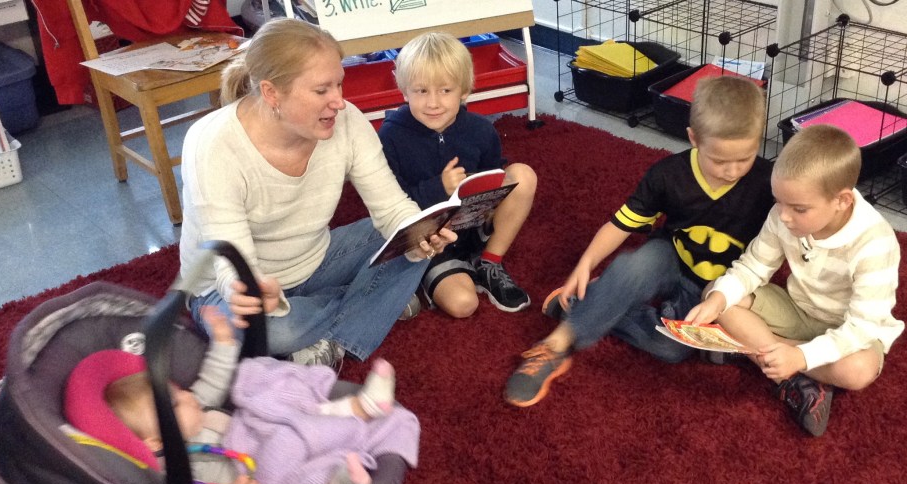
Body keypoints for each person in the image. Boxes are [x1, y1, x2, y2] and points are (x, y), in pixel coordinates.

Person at [178, 18, 455, 371]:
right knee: (271, 332)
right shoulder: (212, 144)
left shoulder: (348, 121)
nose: (339, 102)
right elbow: (231, 261)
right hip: (228, 287)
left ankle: (329, 333)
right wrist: (248, 288)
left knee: (413, 232)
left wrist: (420, 234)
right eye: (322, 90)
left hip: (315, 258)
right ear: (271, 93)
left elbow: (391, 208)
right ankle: (364, 308)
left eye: (340, 84)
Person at [504, 75, 774, 407]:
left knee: (672, 349)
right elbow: (620, 224)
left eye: (744, 159)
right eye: (719, 161)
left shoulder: (769, 182)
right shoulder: (667, 175)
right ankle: (556, 344)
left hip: (722, 284)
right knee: (633, 267)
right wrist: (585, 263)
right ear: (693, 138)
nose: (732, 171)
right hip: (671, 255)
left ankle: (588, 307)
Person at [684, 125, 904, 437]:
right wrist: (718, 300)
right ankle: (788, 375)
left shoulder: (875, 243)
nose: (784, 217)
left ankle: (753, 351)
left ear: (841, 201)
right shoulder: (783, 215)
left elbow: (862, 327)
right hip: (797, 309)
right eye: (779, 202)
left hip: (848, 329)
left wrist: (801, 356)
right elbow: (753, 266)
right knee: (716, 293)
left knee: (857, 371)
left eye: (798, 209)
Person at [101, 309, 406, 484]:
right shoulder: (183, 467)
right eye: (177, 403)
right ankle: (339, 481)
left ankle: (360, 407)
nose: (188, 397)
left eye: (179, 392)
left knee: (273, 390)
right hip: (260, 472)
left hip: (257, 434)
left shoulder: (197, 403)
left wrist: (222, 341)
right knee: (296, 456)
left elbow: (214, 377)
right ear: (156, 441)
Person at [378, 31, 537, 317]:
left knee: (523, 175)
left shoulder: (480, 129)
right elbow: (390, 202)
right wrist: (439, 187)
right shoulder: (390, 136)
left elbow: (496, 174)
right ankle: (430, 277)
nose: (433, 103)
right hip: (430, 241)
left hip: (474, 225)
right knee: (464, 304)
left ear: (464, 90)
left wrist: (489, 205)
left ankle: (490, 262)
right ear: (404, 91)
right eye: (421, 91)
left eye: (445, 90)